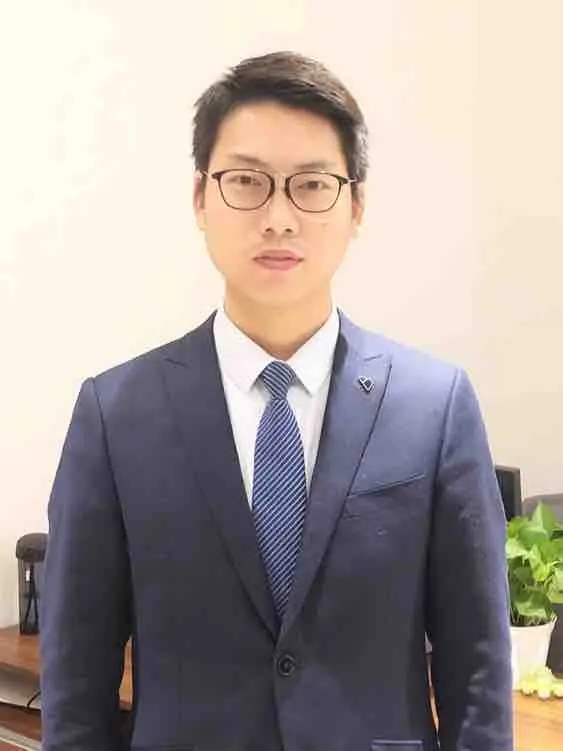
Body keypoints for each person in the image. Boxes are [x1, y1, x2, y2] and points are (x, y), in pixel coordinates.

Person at [40, 51, 513, 751]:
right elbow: (76, 683)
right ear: (200, 198)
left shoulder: (435, 405)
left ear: (356, 205)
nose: (279, 217)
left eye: (312, 185)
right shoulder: (115, 414)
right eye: (246, 182)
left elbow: (477, 670)